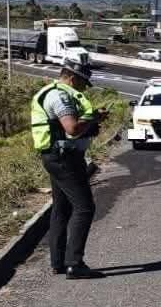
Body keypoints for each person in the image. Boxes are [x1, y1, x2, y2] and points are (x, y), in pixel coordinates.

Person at [31, 63, 107, 279]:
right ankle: (74, 263)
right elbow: (72, 128)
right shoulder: (60, 97)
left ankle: (58, 262)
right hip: (65, 158)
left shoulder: (53, 93)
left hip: (55, 156)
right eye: (83, 83)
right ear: (73, 79)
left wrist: (93, 118)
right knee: (84, 208)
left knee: (62, 208)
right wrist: (92, 119)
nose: (84, 88)